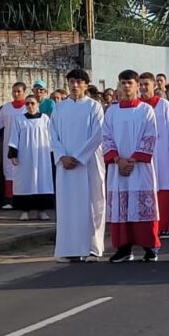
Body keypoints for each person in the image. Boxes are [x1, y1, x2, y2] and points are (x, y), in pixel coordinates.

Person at [102, 70, 160, 263]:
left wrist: (133, 160)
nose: (126, 87)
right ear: (118, 86)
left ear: (137, 86)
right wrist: (118, 160)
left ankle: (149, 247)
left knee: (142, 207)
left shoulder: (146, 111)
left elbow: (150, 137)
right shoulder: (111, 112)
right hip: (118, 168)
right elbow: (106, 138)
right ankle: (123, 248)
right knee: (121, 208)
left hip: (140, 168)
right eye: (123, 83)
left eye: (129, 83)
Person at [50, 69, 106, 262]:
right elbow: (53, 135)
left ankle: (92, 248)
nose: (74, 86)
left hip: (88, 163)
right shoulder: (59, 108)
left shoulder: (94, 107)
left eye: (78, 82)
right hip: (65, 164)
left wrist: (79, 157)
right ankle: (69, 248)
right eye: (71, 81)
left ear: (86, 85)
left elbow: (97, 135)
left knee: (92, 204)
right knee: (68, 206)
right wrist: (62, 156)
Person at [136, 72, 169, 240]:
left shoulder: (163, 104)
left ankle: (163, 226)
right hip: (143, 151)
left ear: (154, 85)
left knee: (162, 187)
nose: (144, 87)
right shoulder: (136, 106)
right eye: (142, 84)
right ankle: (145, 226)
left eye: (147, 84)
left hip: (161, 152)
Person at [0, 82, 29, 209]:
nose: (16, 94)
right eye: (14, 91)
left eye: (19, 91)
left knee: (24, 170)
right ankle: (9, 200)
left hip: (25, 143)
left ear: (24, 91)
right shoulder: (6, 108)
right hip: (9, 143)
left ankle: (24, 200)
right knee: (9, 170)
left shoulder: (29, 107)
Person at [8, 94, 55, 221]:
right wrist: (13, 154)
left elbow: (51, 136)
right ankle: (25, 211)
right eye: (27, 103)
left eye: (32, 103)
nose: (30, 106)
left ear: (37, 105)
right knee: (25, 182)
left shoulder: (45, 119)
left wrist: (53, 153)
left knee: (42, 181)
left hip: (42, 156)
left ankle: (42, 210)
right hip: (25, 156)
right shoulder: (19, 119)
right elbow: (14, 137)